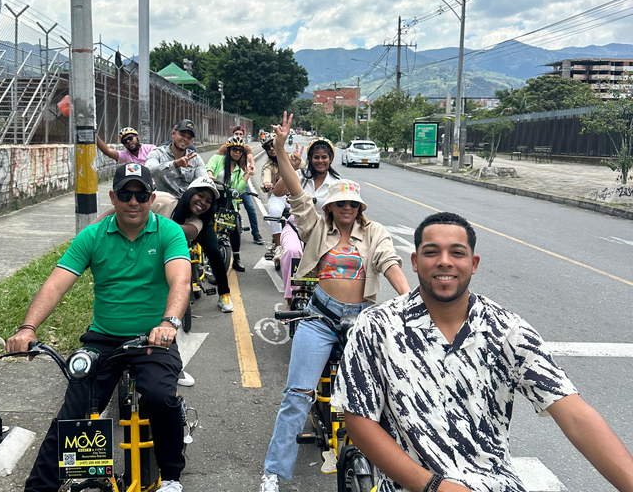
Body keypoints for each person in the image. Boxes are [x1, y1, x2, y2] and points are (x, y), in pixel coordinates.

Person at [332, 212, 633, 492]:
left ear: (473, 263)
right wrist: (434, 486)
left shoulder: (507, 331)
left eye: (457, 253)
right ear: (414, 261)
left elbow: (575, 414)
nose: (444, 262)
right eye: (432, 252)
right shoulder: (377, 327)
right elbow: (360, 421)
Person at [7, 163, 191, 492]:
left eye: (140, 194)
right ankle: (39, 488)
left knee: (161, 396)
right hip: (103, 340)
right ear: (113, 196)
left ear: (151, 197)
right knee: (74, 410)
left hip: (152, 339)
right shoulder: (92, 235)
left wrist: (168, 322)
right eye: (125, 194)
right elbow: (55, 285)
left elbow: (180, 279)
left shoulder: (169, 232)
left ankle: (172, 476)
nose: (132, 201)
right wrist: (27, 328)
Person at [260, 112, 411, 492]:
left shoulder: (373, 231)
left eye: (353, 205)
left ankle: (396, 471)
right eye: (341, 204)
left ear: (360, 208)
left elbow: (389, 264)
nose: (347, 209)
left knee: (386, 397)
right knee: (297, 395)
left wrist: (411, 301)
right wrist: (280, 148)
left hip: (362, 321)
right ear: (330, 207)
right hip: (321, 318)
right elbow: (295, 191)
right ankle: (274, 473)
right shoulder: (315, 225)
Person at [90, 176, 221, 387]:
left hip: (167, 256)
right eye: (200, 195)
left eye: (208, 201)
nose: (203, 203)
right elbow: (118, 209)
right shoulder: (162, 200)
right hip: (132, 252)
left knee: (172, 302)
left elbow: (182, 232)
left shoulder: (197, 222)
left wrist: (152, 223)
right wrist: (94, 230)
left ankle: (172, 366)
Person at [146, 120, 235, 313]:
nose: (185, 139)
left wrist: (210, 180)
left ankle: (224, 294)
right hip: (168, 208)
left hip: (195, 207)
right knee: (158, 251)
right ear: (173, 133)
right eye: (182, 135)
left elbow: (202, 175)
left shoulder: (195, 158)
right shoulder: (158, 153)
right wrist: (174, 164)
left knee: (213, 250)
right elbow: (148, 170)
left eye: (189, 137)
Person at [271, 134, 340, 309]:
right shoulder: (300, 176)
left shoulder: (337, 183)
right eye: (316, 157)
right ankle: (289, 299)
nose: (320, 161)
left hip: (324, 231)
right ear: (309, 159)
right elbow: (277, 192)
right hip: (296, 226)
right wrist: (291, 171)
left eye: (324, 157)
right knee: (292, 251)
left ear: (331, 159)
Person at [206, 135, 256, 272]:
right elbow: (208, 167)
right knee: (207, 222)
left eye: (240, 151)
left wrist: (247, 174)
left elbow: (239, 190)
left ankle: (236, 258)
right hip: (213, 196)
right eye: (235, 149)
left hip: (228, 200)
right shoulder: (218, 159)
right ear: (229, 150)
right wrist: (210, 175)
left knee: (235, 227)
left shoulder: (239, 170)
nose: (237, 152)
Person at [216, 125, 263, 245]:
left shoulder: (246, 148)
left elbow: (251, 158)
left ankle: (256, 233)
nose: (238, 136)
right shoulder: (225, 147)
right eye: (236, 134)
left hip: (242, 179)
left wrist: (251, 168)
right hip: (225, 181)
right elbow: (216, 161)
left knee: (249, 206)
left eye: (240, 134)